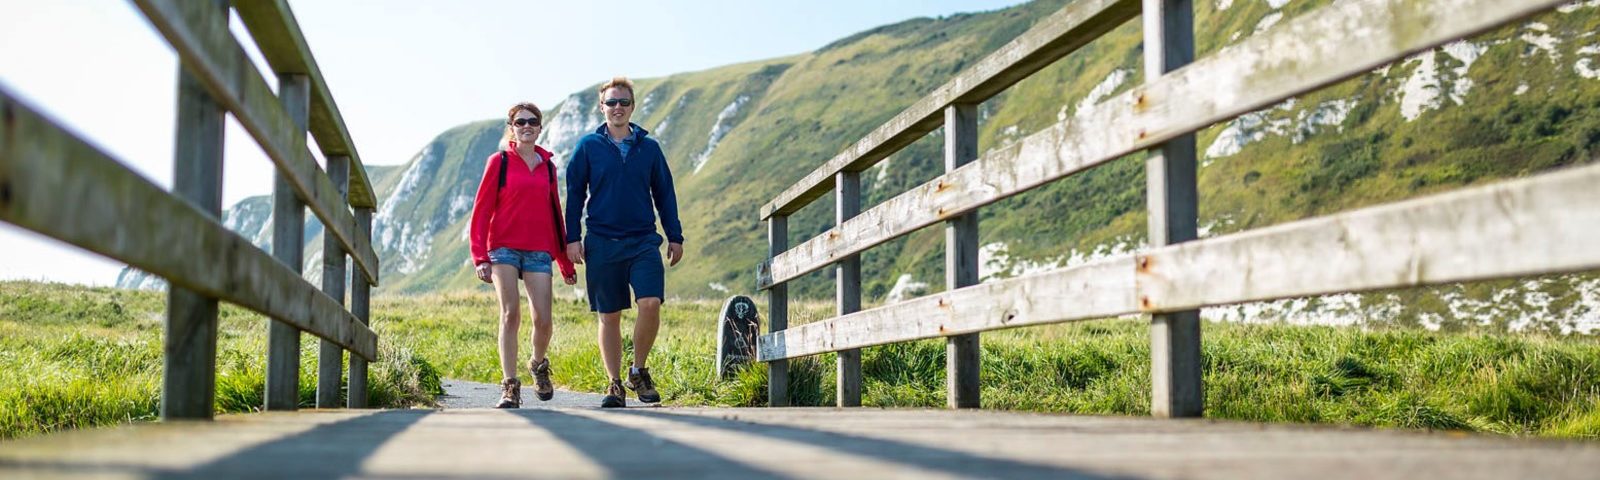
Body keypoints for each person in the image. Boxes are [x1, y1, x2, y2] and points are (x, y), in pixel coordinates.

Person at [564, 77, 684, 408]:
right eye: (611, 103)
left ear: (633, 106)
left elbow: (665, 194)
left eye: (624, 102)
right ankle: (614, 383)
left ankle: (639, 370)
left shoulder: (649, 148)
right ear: (602, 107)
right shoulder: (588, 146)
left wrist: (675, 235)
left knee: (650, 304)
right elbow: (574, 194)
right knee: (610, 315)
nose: (618, 108)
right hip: (601, 241)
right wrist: (572, 238)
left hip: (643, 240)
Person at [469, 102, 578, 409]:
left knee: (543, 319)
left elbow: (555, 214)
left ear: (540, 128)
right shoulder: (499, 161)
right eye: (520, 122)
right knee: (510, 313)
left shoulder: (549, 167)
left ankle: (538, 364)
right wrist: (480, 256)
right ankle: (509, 386)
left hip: (539, 249)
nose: (526, 126)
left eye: (532, 122)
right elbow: (481, 212)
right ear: (512, 128)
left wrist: (564, 261)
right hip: (503, 247)